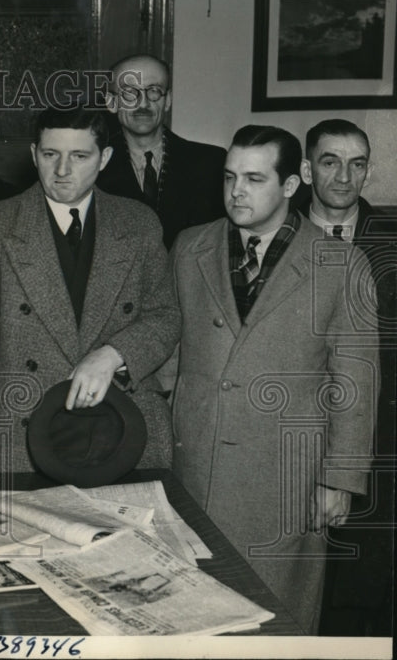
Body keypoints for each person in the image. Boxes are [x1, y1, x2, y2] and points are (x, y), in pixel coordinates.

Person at [169, 124, 377, 634]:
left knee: (275, 624)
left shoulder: (341, 264)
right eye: (230, 177)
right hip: (194, 471)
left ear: (289, 185)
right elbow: (170, 356)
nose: (236, 191)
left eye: (254, 179)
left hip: (286, 483)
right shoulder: (190, 247)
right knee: (191, 618)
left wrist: (339, 479)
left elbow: (355, 383)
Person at [0, 108, 179, 488]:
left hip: (123, 426)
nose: (63, 170)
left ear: (105, 158)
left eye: (79, 156)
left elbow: (165, 315)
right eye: (51, 154)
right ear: (35, 155)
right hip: (26, 433)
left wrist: (113, 354)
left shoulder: (139, 222)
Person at [296, 119, 395, 636]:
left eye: (357, 165)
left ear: (368, 172)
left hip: (377, 436)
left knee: (358, 583)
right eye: (330, 162)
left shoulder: (392, 243)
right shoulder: (276, 233)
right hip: (289, 431)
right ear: (306, 169)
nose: (343, 177)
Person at [98, 53, 225, 248]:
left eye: (154, 91)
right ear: (111, 103)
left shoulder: (210, 163)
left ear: (167, 101)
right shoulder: (93, 167)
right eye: (130, 93)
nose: (143, 103)